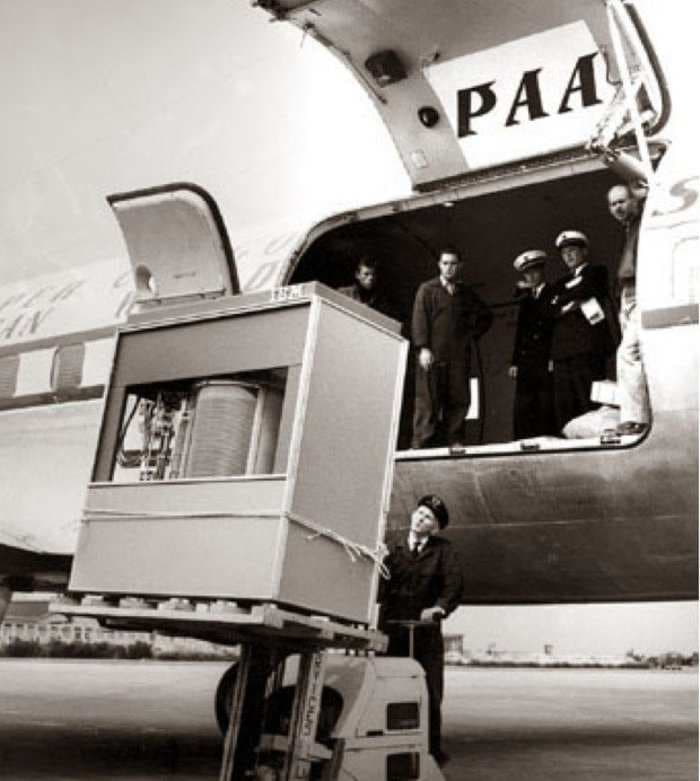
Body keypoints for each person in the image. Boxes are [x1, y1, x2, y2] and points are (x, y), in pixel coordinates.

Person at [378, 494, 463, 766]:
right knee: (387, 689)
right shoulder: (393, 549)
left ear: (434, 527)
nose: (420, 518)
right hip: (392, 631)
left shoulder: (443, 551)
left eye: (427, 517)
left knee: (429, 692)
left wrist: (440, 608)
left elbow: (454, 585)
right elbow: (379, 590)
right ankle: (387, 749)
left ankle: (430, 753)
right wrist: (377, 565)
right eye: (419, 513)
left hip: (425, 634)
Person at [411, 247, 492, 448]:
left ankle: (454, 439)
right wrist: (423, 348)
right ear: (439, 265)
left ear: (460, 266)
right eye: (445, 263)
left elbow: (486, 316)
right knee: (428, 401)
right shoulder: (427, 289)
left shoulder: (465, 293)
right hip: (433, 356)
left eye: (453, 264)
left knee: (459, 399)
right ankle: (421, 442)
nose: (449, 268)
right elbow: (419, 319)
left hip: (458, 357)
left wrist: (470, 336)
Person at [549, 230, 615, 432]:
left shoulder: (596, 272)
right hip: (563, 352)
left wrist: (564, 300)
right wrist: (570, 301)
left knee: (589, 401)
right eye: (564, 253)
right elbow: (550, 307)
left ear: (584, 252)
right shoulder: (559, 283)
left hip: (588, 348)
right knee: (566, 405)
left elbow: (586, 289)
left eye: (573, 251)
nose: (568, 256)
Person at [607, 183, 650, 435]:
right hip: (628, 294)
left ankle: (635, 419)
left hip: (641, 290)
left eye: (622, 201)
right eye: (613, 204)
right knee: (632, 355)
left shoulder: (642, 220)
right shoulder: (627, 229)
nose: (617, 208)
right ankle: (636, 415)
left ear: (635, 201)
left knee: (628, 353)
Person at [508, 249, 556, 439]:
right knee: (523, 405)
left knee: (544, 403)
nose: (531, 276)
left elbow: (552, 324)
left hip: (545, 357)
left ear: (542, 271)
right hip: (526, 360)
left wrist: (552, 356)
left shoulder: (552, 293)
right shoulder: (526, 300)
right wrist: (514, 361)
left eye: (534, 271)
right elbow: (521, 332)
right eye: (527, 273)